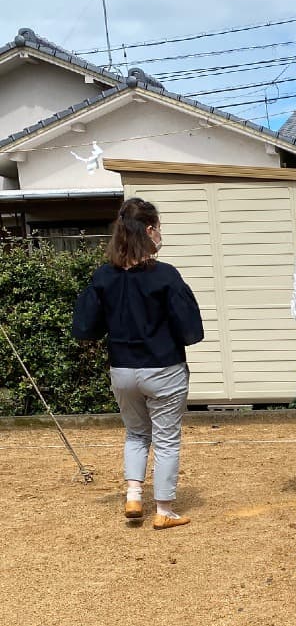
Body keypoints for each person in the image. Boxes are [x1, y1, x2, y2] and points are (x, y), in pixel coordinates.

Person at [73, 197, 203, 529]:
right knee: (166, 439)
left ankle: (133, 495)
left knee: (135, 434)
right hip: (163, 369)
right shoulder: (165, 276)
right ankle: (163, 510)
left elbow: (86, 326)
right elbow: (190, 329)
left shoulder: (103, 276)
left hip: (123, 370)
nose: (161, 235)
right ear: (148, 230)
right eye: (159, 229)